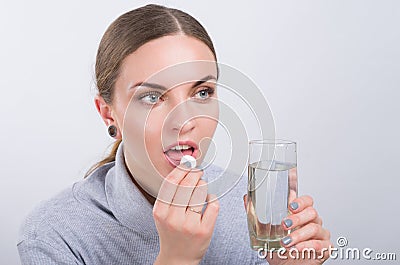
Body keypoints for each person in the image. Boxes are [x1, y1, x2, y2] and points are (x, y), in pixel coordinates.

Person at [17, 4, 331, 265]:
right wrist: (176, 258)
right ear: (108, 113)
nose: (185, 121)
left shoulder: (251, 212)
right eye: (152, 97)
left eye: (202, 92)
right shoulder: (54, 234)